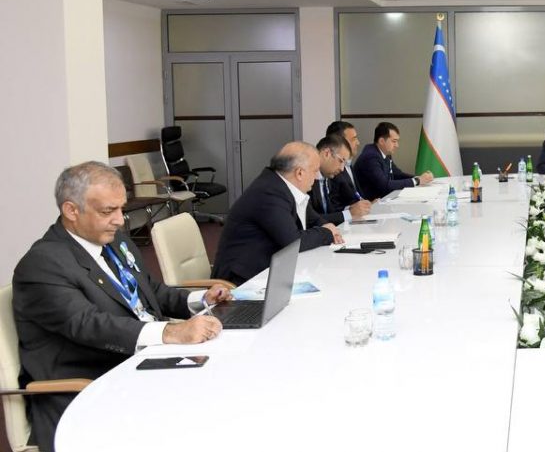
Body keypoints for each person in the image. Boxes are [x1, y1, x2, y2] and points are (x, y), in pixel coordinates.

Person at [12, 162, 231, 451]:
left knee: (224, 382)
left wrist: (202, 300)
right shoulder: (43, 264)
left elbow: (151, 292)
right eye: (108, 211)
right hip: (91, 386)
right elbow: (89, 324)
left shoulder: (113, 242)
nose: (120, 220)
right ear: (71, 210)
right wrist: (171, 333)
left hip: (142, 363)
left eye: (121, 209)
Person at [213, 142, 343, 284]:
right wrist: (327, 233)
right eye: (315, 171)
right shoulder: (269, 192)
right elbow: (293, 242)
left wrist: (328, 228)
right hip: (241, 280)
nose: (317, 177)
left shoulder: (281, 185)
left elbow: (313, 219)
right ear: (299, 173)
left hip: (268, 270)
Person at [353, 122, 434, 200]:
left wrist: (419, 178)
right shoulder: (370, 157)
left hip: (383, 199)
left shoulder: (386, 153)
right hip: (371, 204)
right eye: (394, 141)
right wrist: (417, 181)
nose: (397, 145)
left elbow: (397, 174)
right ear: (381, 141)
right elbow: (384, 185)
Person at [309, 134, 371, 226]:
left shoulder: (327, 177)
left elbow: (330, 211)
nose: (342, 169)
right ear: (327, 153)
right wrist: (349, 214)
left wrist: (350, 209)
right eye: (341, 161)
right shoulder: (306, 178)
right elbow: (310, 220)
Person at [326, 120, 365, 205]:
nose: (358, 143)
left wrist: (367, 204)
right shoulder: (332, 171)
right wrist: (351, 210)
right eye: (354, 139)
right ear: (340, 142)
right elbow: (334, 206)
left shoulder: (348, 163)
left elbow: (357, 196)